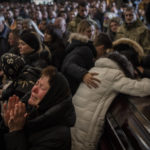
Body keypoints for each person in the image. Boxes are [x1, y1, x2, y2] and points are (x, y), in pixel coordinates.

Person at [71, 50, 150, 150]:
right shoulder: (114, 75)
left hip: (75, 124)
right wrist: (143, 74)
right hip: (86, 130)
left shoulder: (94, 69)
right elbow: (141, 88)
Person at [0, 66, 76, 150]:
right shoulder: (32, 110)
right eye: (37, 83)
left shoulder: (59, 137)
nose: (34, 89)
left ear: (52, 97)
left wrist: (15, 130)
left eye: (42, 87)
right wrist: (7, 125)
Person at [62, 21, 112, 95]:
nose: (91, 34)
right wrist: (83, 74)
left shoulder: (84, 46)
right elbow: (68, 65)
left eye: (93, 31)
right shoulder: (84, 48)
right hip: (72, 90)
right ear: (80, 32)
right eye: (88, 31)